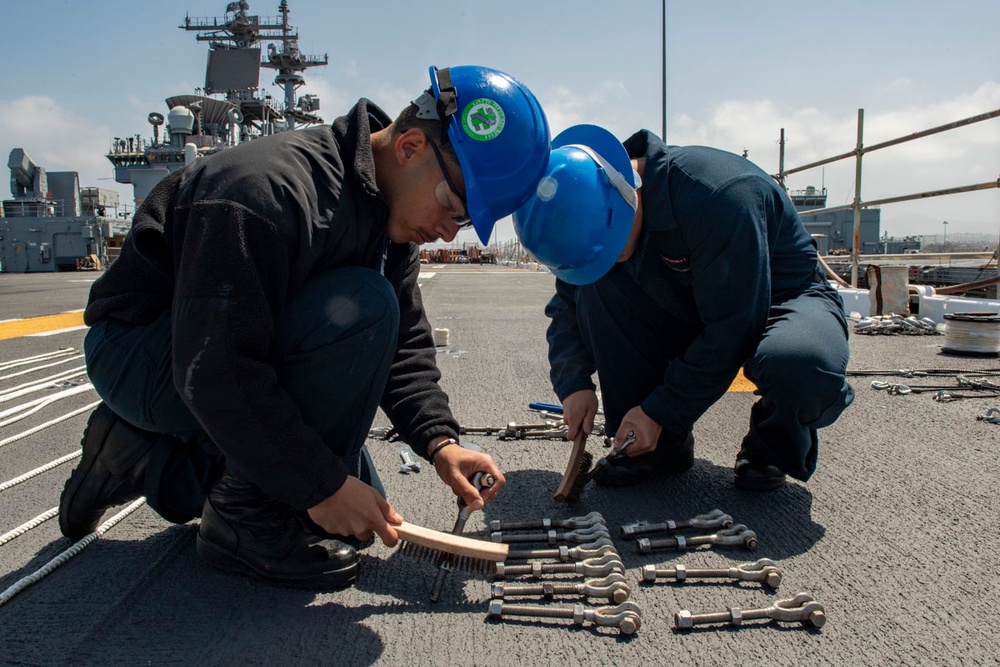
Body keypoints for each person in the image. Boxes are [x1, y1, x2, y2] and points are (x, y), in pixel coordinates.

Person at [58, 65, 551, 590]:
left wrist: (439, 441)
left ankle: (140, 456)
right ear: (409, 147)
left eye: (467, 223)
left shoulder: (388, 219)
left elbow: (404, 345)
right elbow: (216, 368)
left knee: (354, 516)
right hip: (144, 352)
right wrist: (321, 486)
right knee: (362, 320)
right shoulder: (265, 192)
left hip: (218, 350)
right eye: (454, 207)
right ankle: (237, 520)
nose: (450, 233)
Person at [513, 124, 853, 491]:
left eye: (608, 251)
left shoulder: (719, 195)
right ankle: (658, 446)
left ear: (626, 197)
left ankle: (770, 446)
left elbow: (733, 327)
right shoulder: (589, 215)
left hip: (779, 299)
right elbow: (567, 305)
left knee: (801, 365)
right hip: (689, 298)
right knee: (596, 291)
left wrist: (660, 410)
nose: (606, 261)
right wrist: (573, 384)